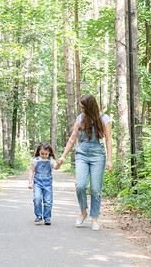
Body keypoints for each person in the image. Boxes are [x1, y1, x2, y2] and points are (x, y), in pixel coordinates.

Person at [57, 94, 113, 231]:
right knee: (80, 185)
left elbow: (108, 139)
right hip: (82, 154)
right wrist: (63, 156)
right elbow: (72, 139)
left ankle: (94, 219)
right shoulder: (80, 119)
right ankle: (83, 212)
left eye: (83, 107)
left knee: (95, 189)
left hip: (98, 156)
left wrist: (110, 160)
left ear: (90, 107)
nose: (81, 109)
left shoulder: (104, 119)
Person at [28, 142, 60, 225]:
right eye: (42, 153)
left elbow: (56, 167)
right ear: (39, 151)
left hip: (48, 183)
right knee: (37, 198)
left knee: (48, 201)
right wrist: (30, 183)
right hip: (37, 183)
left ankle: (47, 218)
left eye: (46, 154)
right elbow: (31, 171)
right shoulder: (36, 160)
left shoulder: (51, 160)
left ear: (49, 152)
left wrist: (59, 163)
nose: (44, 155)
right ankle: (38, 215)